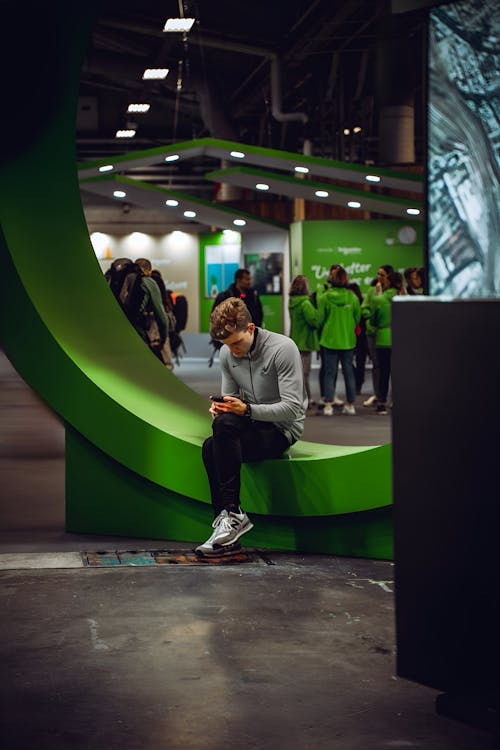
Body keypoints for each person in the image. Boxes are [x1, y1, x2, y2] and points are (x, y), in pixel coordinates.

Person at [196, 297, 307, 557]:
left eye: (236, 343)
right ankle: (227, 521)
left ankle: (232, 515)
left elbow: (294, 409)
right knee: (210, 446)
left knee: (222, 432)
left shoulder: (283, 348)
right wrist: (222, 408)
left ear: (250, 328)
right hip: (251, 424)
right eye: (226, 345)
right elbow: (230, 403)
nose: (232, 350)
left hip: (281, 430)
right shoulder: (227, 352)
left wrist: (245, 410)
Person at [317, 266, 360, 416]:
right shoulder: (352, 297)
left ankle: (328, 405)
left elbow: (320, 320)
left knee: (329, 373)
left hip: (329, 340)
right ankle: (350, 405)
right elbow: (357, 318)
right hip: (348, 340)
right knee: (349, 372)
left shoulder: (324, 297)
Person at [370, 271, 406, 415]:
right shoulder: (405, 299)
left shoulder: (378, 300)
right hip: (401, 339)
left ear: (388, 282)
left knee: (383, 372)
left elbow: (373, 320)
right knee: (399, 373)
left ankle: (381, 403)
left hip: (383, 339)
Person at [361, 264, 394, 408]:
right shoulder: (371, 291)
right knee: (377, 364)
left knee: (390, 366)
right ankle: (378, 394)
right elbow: (365, 309)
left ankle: (391, 396)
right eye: (378, 274)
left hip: (389, 333)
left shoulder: (393, 292)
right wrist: (371, 319)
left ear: (389, 276)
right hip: (372, 332)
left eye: (382, 274)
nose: (379, 277)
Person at [288, 274, 320, 410]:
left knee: (299, 373)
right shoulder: (305, 303)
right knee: (304, 373)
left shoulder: (292, 302)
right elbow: (314, 320)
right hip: (305, 341)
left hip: (295, 339)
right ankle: (305, 399)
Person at [133, 258, 169, 362]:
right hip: (138, 331)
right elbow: (161, 317)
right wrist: (163, 339)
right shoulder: (149, 282)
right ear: (149, 271)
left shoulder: (125, 281)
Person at [347, 282, 367, 395]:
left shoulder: (360, 303)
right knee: (350, 361)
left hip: (359, 336)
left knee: (359, 362)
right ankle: (357, 382)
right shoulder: (358, 302)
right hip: (355, 335)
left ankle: (358, 383)